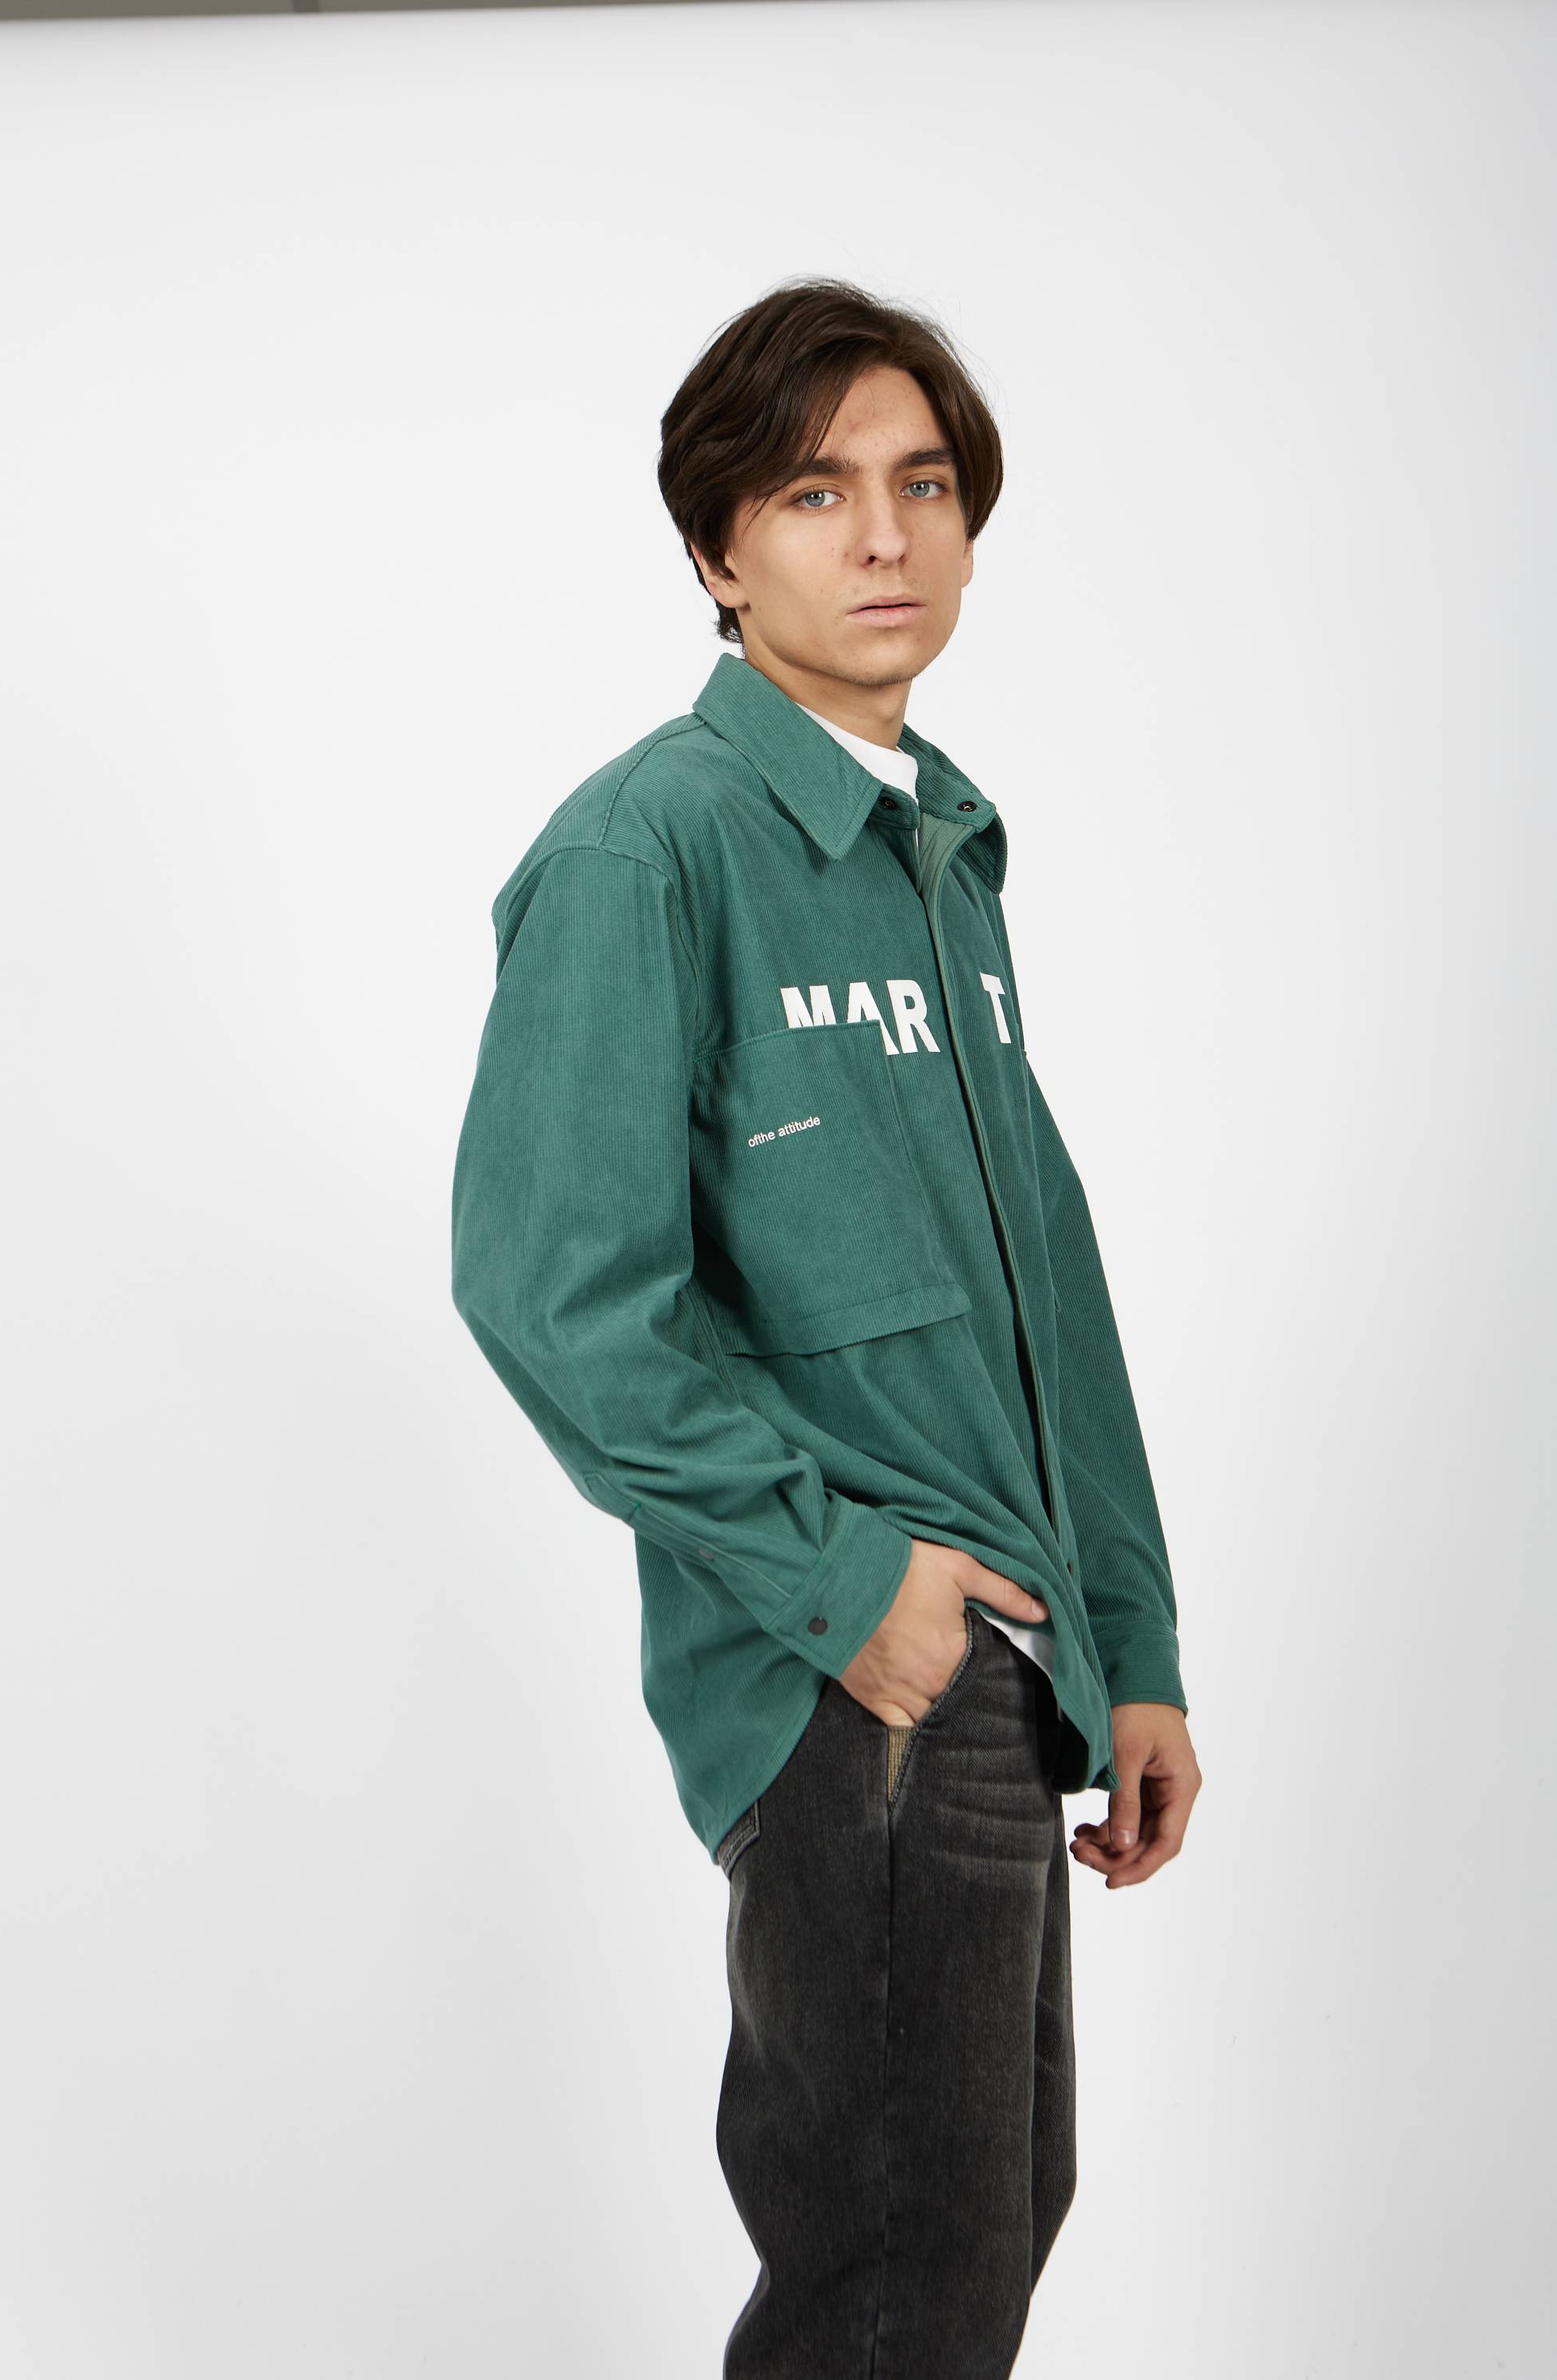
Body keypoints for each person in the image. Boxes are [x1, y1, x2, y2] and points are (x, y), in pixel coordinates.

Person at [450, 274, 1202, 2378]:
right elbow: (554, 1294)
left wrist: (1130, 1645)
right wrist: (850, 1588)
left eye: (924, 486)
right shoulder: (649, 850)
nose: (884, 535)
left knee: (977, 2238)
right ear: (717, 550)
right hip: (852, 1673)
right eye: (813, 491)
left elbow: (1047, 1284)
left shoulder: (934, 853)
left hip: (1007, 1662)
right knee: (895, 2275)